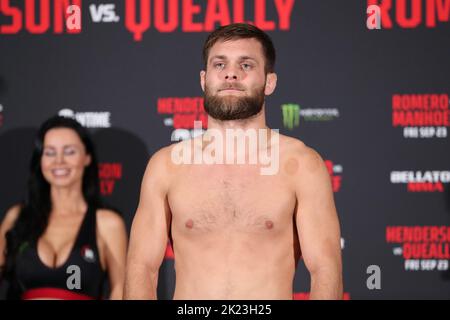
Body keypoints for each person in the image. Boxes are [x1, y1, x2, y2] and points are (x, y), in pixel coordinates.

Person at [124, 23, 343, 300]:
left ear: (270, 82)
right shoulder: (167, 166)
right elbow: (141, 268)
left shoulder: (301, 165)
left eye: (247, 65)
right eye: (220, 64)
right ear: (204, 79)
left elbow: (326, 270)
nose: (231, 73)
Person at [0, 116, 127, 300]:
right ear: (40, 160)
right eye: (50, 152)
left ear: (87, 157)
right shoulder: (18, 216)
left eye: (69, 151)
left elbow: (121, 291)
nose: (59, 161)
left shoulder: (107, 223)